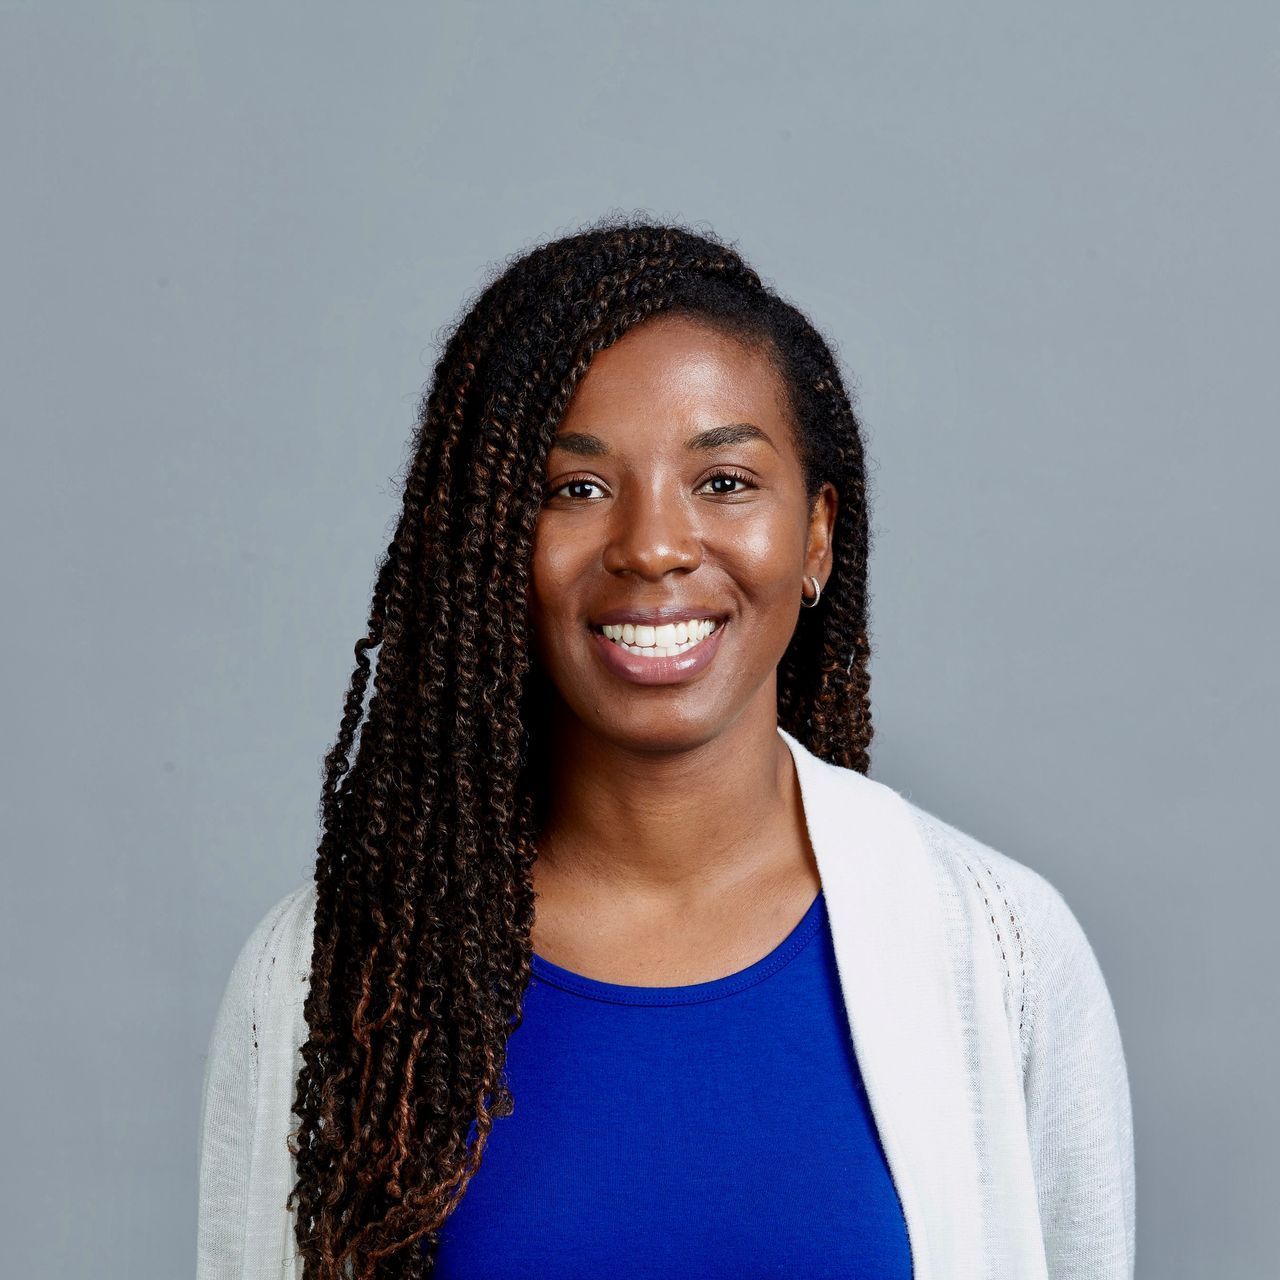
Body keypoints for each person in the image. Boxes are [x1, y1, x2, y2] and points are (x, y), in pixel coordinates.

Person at [196, 217, 1135, 1280]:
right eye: (575, 488)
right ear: (490, 547)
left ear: (815, 535)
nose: (651, 544)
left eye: (723, 481)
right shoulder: (334, 972)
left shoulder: (998, 949)